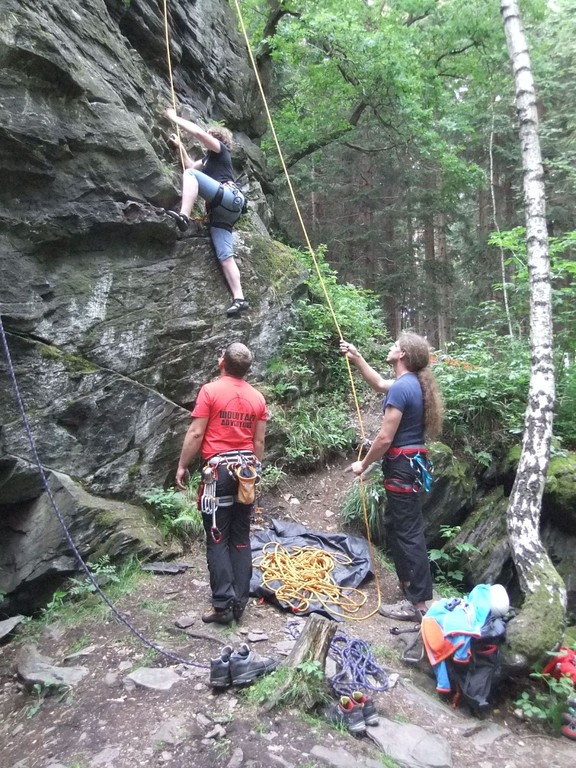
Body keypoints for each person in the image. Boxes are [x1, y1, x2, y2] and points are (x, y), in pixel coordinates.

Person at [340, 333, 444, 622]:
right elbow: (378, 384)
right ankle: (410, 584)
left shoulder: (402, 388)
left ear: (403, 355)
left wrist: (363, 464)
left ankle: (419, 602)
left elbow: (385, 438)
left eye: (395, 345)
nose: (391, 347)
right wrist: (357, 356)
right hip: (410, 465)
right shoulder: (409, 385)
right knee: (395, 523)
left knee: (409, 531)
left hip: (401, 465)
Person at [175, 342, 267, 625]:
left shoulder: (210, 391)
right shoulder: (258, 398)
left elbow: (196, 433)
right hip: (246, 472)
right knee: (240, 537)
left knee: (217, 537)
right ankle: (239, 603)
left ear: (222, 363)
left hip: (219, 473)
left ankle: (222, 605)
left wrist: (182, 465)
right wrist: (255, 471)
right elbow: (258, 441)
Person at [164, 107, 248, 317]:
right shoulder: (209, 160)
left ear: (216, 138)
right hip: (224, 212)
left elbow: (199, 135)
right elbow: (190, 165)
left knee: (192, 175)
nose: (205, 140)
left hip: (228, 197)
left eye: (209, 137)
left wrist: (174, 118)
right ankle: (239, 299)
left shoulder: (221, 150)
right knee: (225, 256)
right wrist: (179, 147)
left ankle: (184, 215)